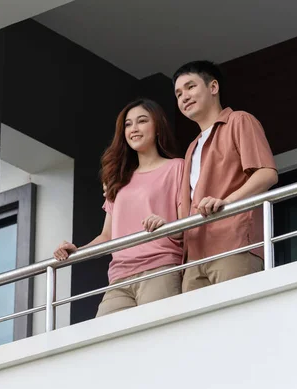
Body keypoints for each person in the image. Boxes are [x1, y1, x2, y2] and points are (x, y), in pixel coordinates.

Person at [53, 98, 185, 317]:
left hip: (160, 268)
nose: (134, 129)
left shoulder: (176, 167)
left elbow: (185, 226)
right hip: (119, 276)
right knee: (105, 341)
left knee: (156, 340)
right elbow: (107, 236)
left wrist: (165, 225)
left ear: (158, 127)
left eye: (142, 121)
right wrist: (78, 251)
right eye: (128, 124)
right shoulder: (119, 180)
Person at [173, 60, 278, 292]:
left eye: (190, 87)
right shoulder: (192, 147)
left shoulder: (239, 121)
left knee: (236, 323)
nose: (184, 97)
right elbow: (186, 209)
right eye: (178, 93)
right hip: (194, 257)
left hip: (233, 243)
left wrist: (227, 201)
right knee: (197, 328)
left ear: (213, 87)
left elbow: (267, 174)